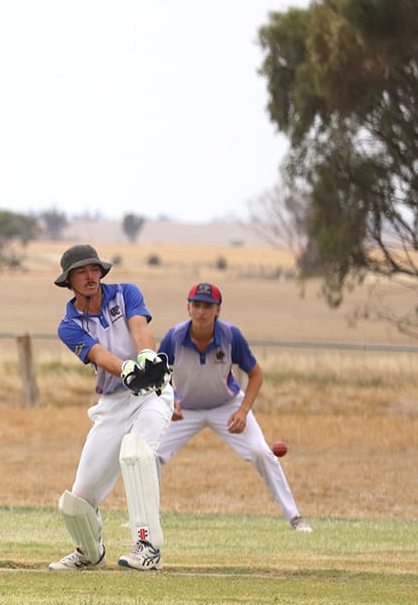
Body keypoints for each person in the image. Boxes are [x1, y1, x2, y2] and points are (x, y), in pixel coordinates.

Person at [49, 244, 175, 571]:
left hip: (151, 393)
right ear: (69, 281)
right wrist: (126, 370)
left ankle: (148, 547)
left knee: (136, 455)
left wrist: (146, 359)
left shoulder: (125, 293)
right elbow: (98, 355)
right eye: (81, 272)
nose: (90, 277)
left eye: (94, 269)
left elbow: (139, 329)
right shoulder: (68, 325)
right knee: (79, 500)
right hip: (113, 402)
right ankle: (90, 553)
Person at [155, 281, 313, 532]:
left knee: (262, 452)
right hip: (185, 409)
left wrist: (243, 411)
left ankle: (295, 518)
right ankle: (148, 520)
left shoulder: (230, 336)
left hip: (227, 406)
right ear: (188, 308)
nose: (201, 311)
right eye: (196, 305)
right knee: (150, 455)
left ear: (218, 310)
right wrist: (169, 400)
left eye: (208, 306)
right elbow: (157, 375)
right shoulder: (174, 337)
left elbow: (256, 374)